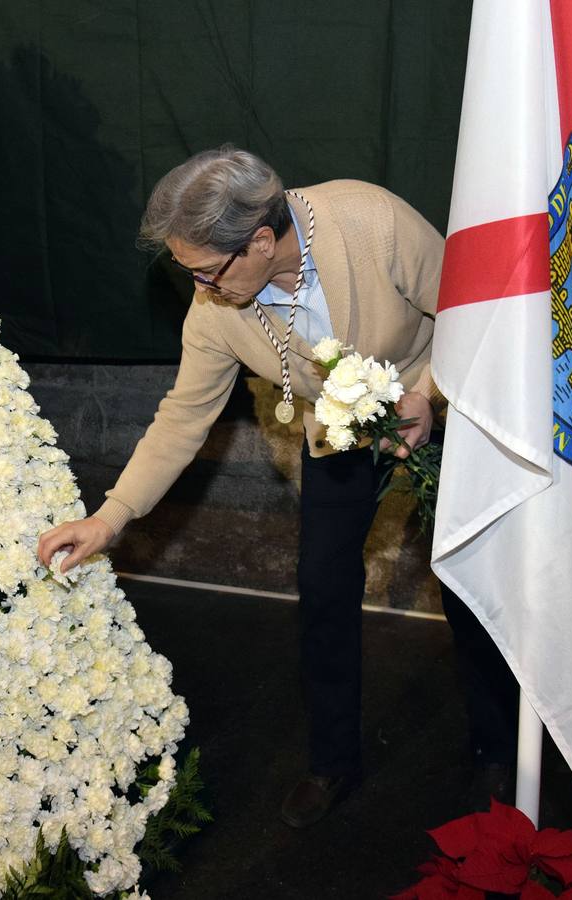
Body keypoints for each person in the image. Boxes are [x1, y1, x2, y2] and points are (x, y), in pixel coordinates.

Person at [36, 145, 518, 827]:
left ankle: (498, 752)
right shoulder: (215, 312)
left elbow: (476, 312)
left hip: (444, 393)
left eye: (205, 271)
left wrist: (427, 393)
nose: (198, 288)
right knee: (322, 587)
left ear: (262, 241)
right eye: (187, 271)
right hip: (341, 429)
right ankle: (332, 764)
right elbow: (182, 418)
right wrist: (109, 519)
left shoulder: (373, 223)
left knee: (467, 579)